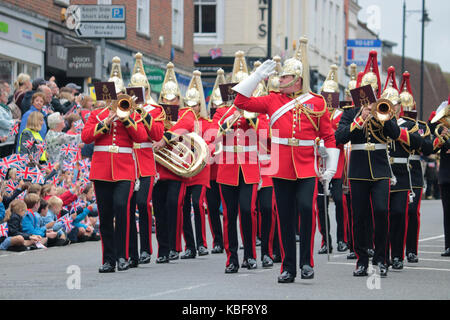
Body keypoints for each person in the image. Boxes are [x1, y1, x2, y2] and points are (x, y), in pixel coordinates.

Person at [233, 38, 339, 283]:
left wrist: (331, 165)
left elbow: (328, 136)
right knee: (285, 217)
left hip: (306, 166)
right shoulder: (272, 100)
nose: (279, 80)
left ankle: (307, 263)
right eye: (279, 77)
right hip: (280, 167)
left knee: (305, 208)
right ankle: (288, 267)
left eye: (284, 77)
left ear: (297, 80)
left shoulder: (317, 102)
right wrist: (257, 75)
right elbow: (240, 101)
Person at [335, 51, 417, 278]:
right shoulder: (350, 113)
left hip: (381, 168)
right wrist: (360, 118)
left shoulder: (384, 109)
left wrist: (384, 116)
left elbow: (394, 134)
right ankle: (362, 260)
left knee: (382, 211)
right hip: (359, 170)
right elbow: (339, 137)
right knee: (359, 216)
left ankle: (382, 258)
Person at [81, 68, 149, 273]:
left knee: (122, 208)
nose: (116, 100)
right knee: (105, 215)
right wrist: (106, 121)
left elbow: (140, 137)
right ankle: (109, 259)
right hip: (102, 170)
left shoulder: (132, 114)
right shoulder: (96, 115)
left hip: (124, 170)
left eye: (119, 96)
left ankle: (123, 255)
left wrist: (126, 118)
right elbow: (86, 137)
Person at [381, 67, 423, 270]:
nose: (392, 107)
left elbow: (418, 142)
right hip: (381, 173)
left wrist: (396, 129)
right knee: (383, 214)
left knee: (398, 214)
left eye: (394, 104)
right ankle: (384, 254)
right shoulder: (377, 122)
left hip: (401, 174)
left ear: (399, 106)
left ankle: (397, 255)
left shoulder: (408, 124)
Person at [127, 52, 165, 266]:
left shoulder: (155, 109)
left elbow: (158, 134)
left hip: (146, 162)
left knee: (142, 203)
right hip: (128, 162)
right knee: (129, 206)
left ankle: (146, 249)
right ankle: (132, 252)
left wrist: (143, 113)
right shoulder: (124, 109)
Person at [152, 62, 190, 263]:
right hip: (159, 169)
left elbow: (184, 127)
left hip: (176, 169)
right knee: (159, 211)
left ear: (179, 98)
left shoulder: (186, 113)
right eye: (166, 99)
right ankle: (163, 250)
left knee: (173, 206)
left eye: (173, 98)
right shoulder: (157, 114)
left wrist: (164, 138)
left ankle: (175, 246)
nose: (170, 102)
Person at [398, 72, 433, 264]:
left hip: (414, 169)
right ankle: (396, 249)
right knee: (397, 211)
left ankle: (411, 249)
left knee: (412, 212)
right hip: (397, 169)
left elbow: (426, 147)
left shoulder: (420, 126)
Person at [316, 65, 348, 255]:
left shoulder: (340, 115)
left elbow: (342, 137)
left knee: (338, 200)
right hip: (319, 164)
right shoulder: (318, 114)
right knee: (321, 205)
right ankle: (325, 241)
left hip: (336, 164)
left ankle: (342, 238)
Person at [179, 71, 211, 259]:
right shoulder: (183, 120)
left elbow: (214, 140)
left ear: (200, 105)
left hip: (201, 169)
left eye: (195, 105)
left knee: (198, 204)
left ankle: (202, 243)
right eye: (189, 104)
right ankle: (189, 246)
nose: (193, 108)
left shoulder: (207, 123)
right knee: (183, 205)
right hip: (184, 168)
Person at [205, 69, 226, 254]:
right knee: (212, 208)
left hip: (226, 168)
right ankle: (218, 240)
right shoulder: (206, 121)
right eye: (214, 104)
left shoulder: (228, 116)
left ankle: (228, 239)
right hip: (211, 171)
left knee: (229, 209)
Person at [429, 97, 450, 257]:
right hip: (446, 173)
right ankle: (448, 245)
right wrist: (441, 133)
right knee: (447, 211)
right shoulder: (444, 110)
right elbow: (431, 127)